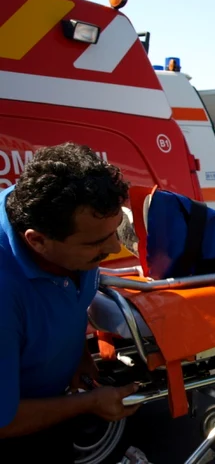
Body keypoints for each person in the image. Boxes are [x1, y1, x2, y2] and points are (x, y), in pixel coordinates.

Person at [0, 143, 141, 462]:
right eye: (95, 243)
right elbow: (3, 421)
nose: (115, 246)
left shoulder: (43, 206)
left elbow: (68, 299)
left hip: (49, 409)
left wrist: (78, 355)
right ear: (37, 241)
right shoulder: (4, 290)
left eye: (115, 229)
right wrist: (89, 403)